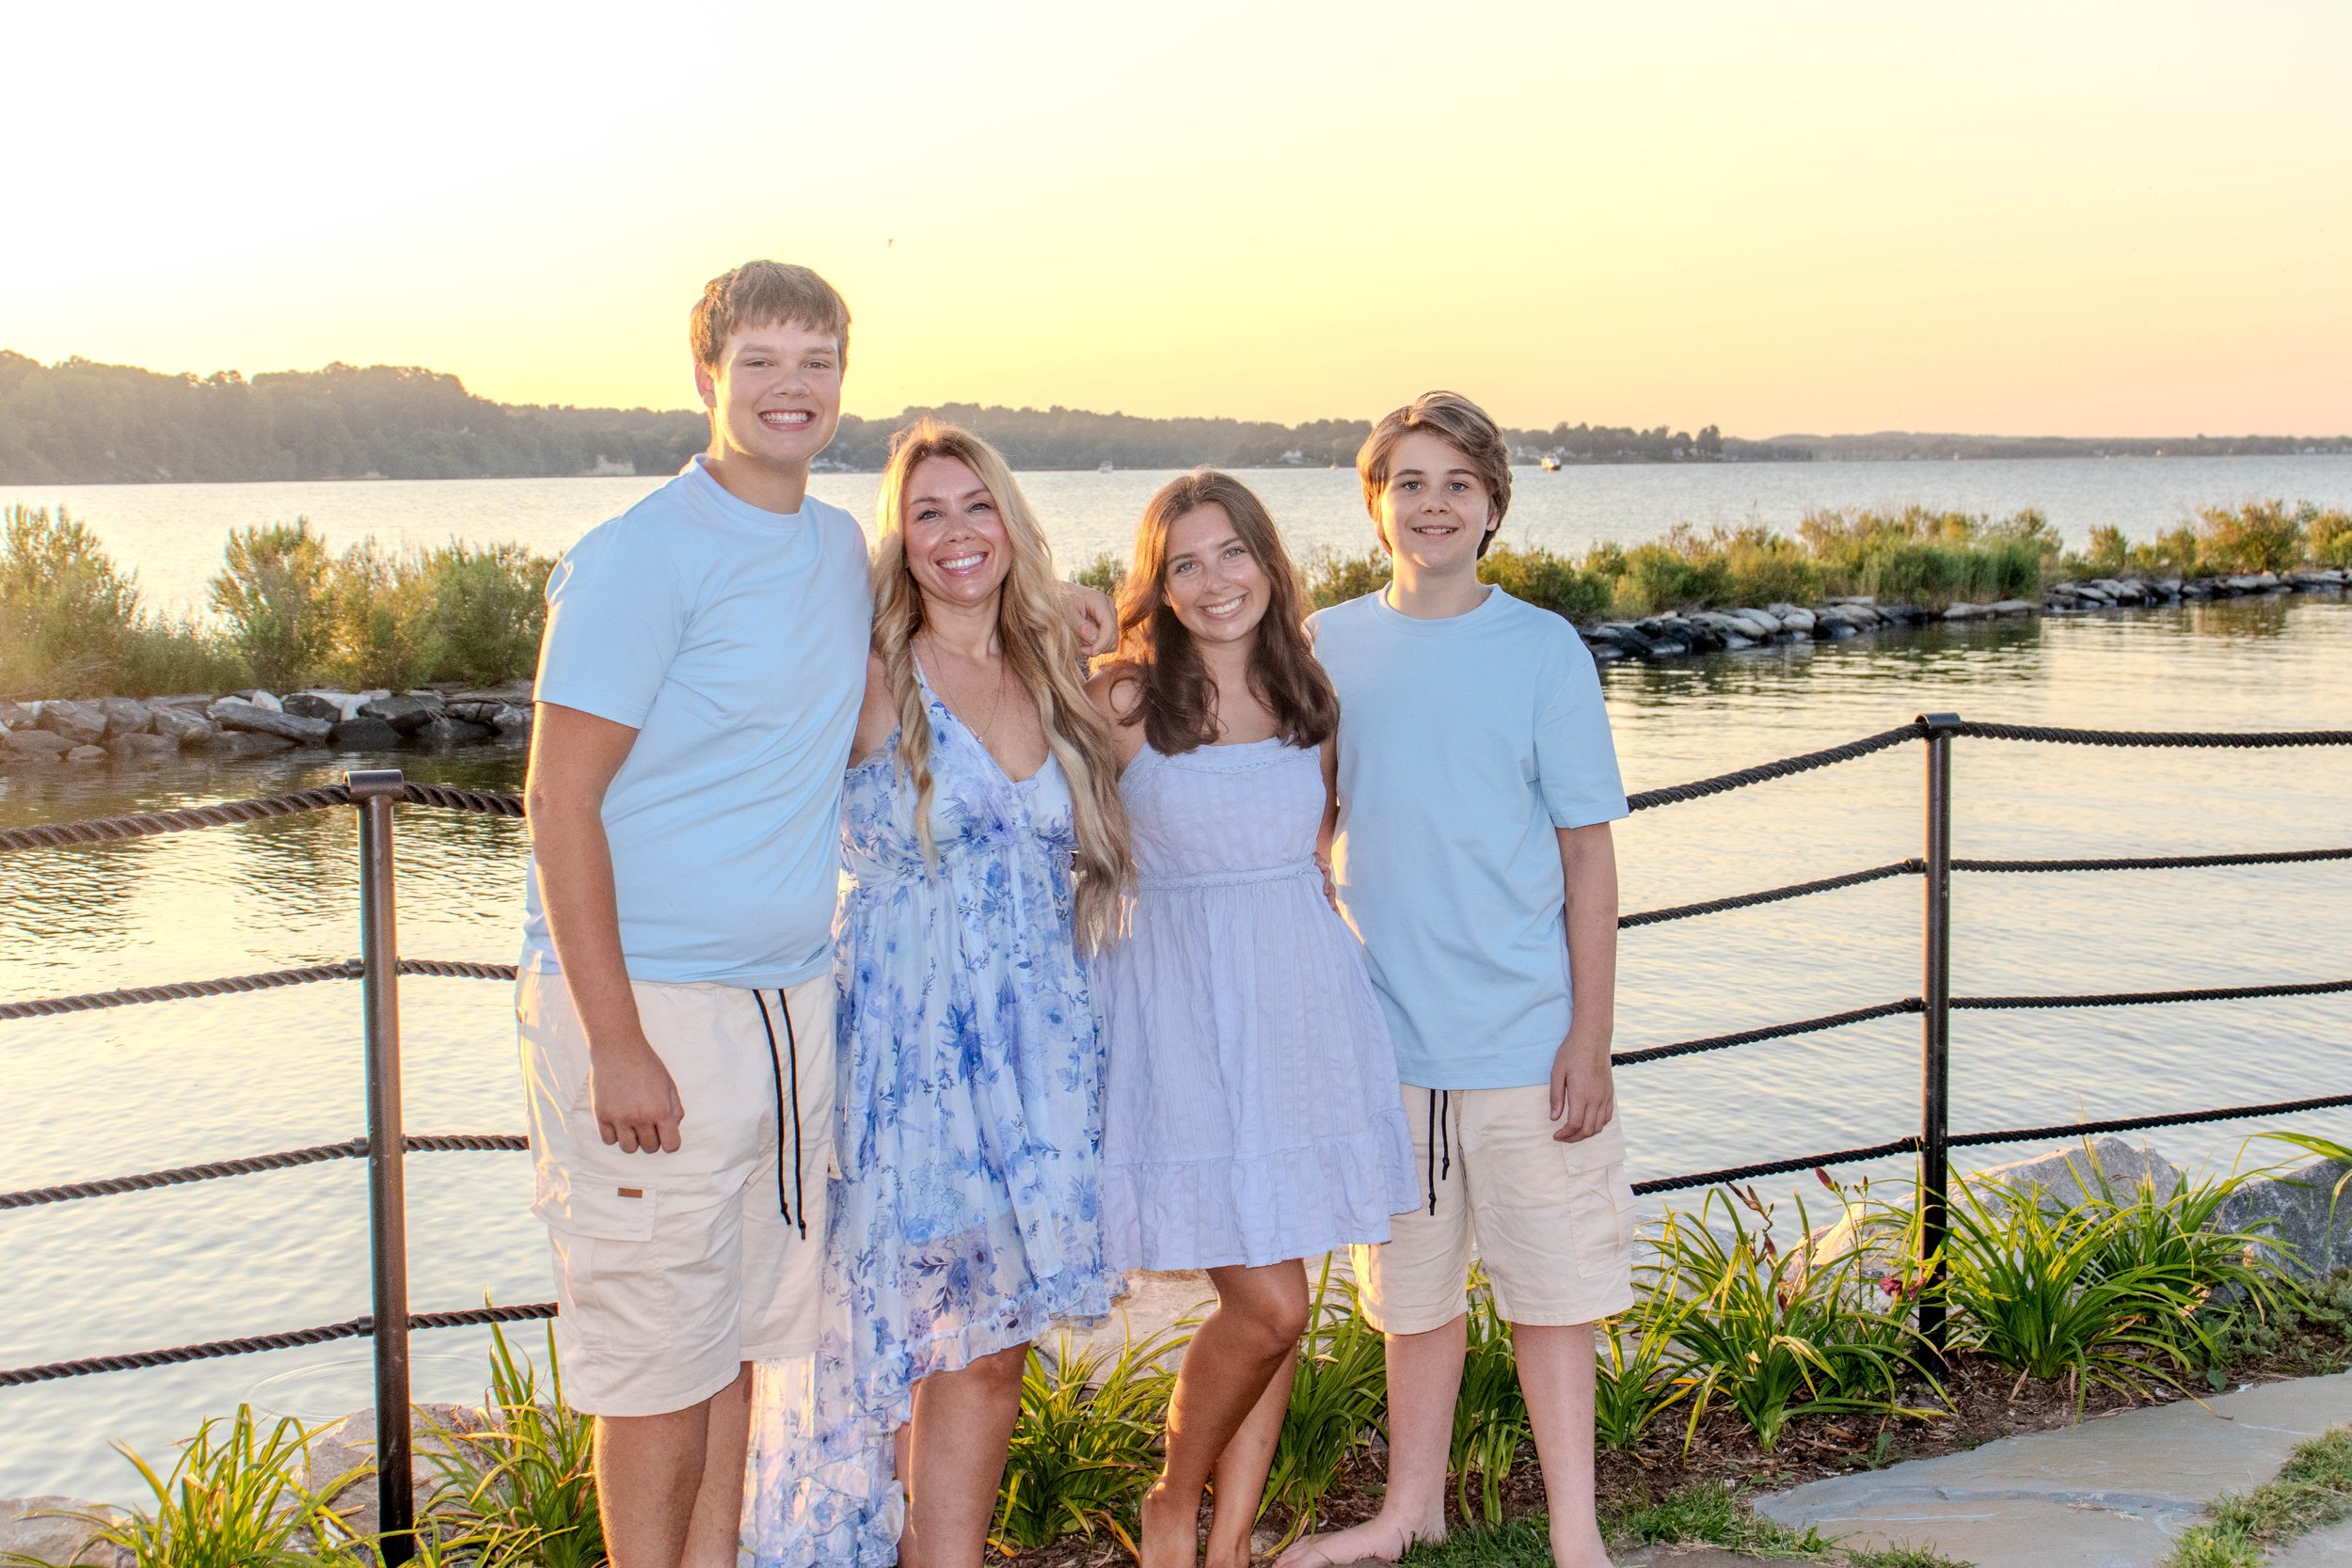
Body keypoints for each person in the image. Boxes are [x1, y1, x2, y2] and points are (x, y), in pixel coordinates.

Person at [518, 265, 1112, 1568]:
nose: (792, 387)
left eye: (816, 361)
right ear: (707, 377)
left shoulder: (833, 547)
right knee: (657, 1365)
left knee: (742, 1337)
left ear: (842, 378)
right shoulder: (640, 554)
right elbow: (559, 801)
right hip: (656, 1003)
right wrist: (614, 1038)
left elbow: (959, 628)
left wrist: (1062, 614)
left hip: (795, 1007)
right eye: (762, 362)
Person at [745, 420, 1132, 1568]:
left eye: (979, 508)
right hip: (909, 1055)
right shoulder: (865, 671)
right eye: (929, 513)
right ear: (898, 541)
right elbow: (733, 747)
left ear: (1012, 525)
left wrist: (1088, 599)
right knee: (906, 1338)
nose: (957, 533)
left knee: (996, 1341)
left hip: (1041, 1054)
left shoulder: (1052, 668)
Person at [1275, 393, 1634, 1568]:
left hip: (1527, 1039)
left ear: (1492, 505)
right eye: (1410, 482)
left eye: (1457, 484)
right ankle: (1407, 1509)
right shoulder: (1327, 642)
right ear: (1374, 500)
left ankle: (1574, 1531)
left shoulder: (1539, 648)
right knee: (1412, 1301)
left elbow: (1587, 851)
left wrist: (1591, 1034)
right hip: (1385, 1042)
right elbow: (1306, 816)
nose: (1433, 504)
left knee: (1550, 1293)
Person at [1086, 470, 1419, 1568]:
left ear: (1269, 563)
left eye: (1231, 553)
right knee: (1268, 1306)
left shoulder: (1310, 692)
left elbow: (1320, 850)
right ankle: (1170, 1500)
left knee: (1283, 1306)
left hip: (1295, 1007)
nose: (1213, 579)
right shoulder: (1124, 700)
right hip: (1173, 1015)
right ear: (1159, 585)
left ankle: (1228, 1543)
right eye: (1184, 562)